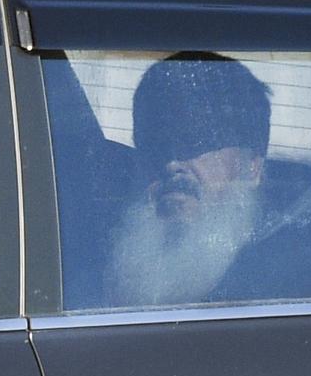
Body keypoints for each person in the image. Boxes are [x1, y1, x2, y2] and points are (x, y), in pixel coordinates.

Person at [103, 51, 274, 307]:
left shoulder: (290, 284)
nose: (171, 164)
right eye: (156, 145)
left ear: (252, 168)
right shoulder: (83, 272)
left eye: (195, 143)